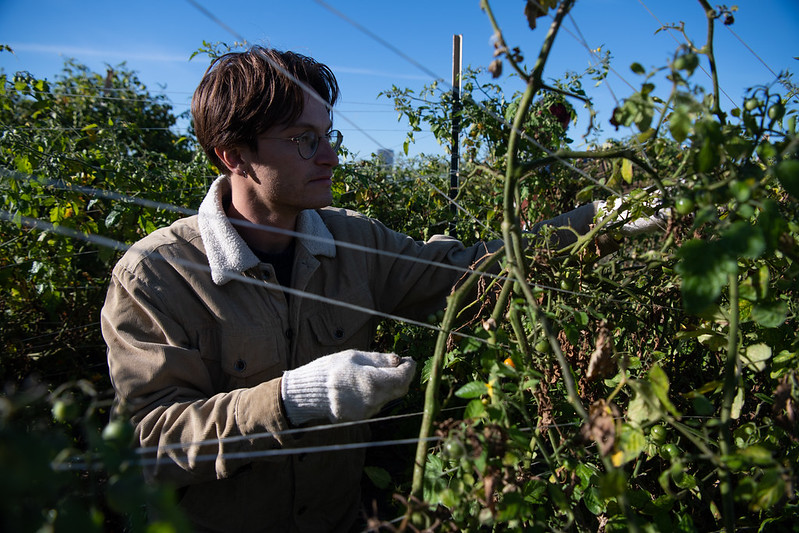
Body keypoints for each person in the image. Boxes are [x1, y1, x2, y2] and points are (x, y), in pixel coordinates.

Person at [100, 46, 641, 532]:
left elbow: (468, 271)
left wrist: (603, 221)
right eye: (303, 140)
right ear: (233, 155)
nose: (331, 155)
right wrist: (290, 401)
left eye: (328, 134)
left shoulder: (352, 241)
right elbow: (148, 446)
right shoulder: (157, 275)